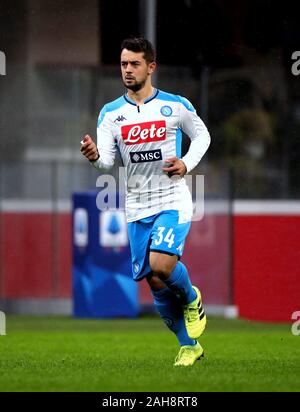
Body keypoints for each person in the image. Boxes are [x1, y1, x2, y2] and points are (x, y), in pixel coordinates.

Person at [80, 37, 211, 366]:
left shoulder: (175, 104)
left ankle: (192, 296)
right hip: (137, 206)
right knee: (153, 279)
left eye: (134, 63)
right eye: (123, 63)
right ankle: (188, 345)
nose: (127, 69)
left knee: (162, 264)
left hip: (172, 197)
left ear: (151, 67)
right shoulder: (111, 113)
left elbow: (203, 136)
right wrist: (94, 156)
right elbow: (106, 161)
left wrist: (186, 163)